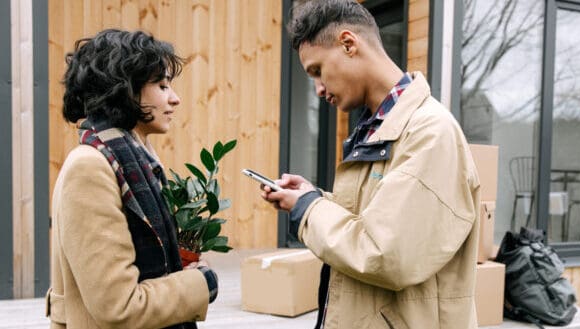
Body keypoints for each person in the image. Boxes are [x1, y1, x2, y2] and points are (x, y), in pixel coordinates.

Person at [262, 1, 481, 328]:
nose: (319, 89)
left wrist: (308, 210)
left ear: (349, 44)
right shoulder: (379, 128)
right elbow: (377, 215)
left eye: (317, 71)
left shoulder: (430, 133)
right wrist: (315, 197)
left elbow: (386, 254)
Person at [46, 29, 218, 329]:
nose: (175, 99)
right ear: (125, 89)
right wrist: (201, 283)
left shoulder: (134, 160)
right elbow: (119, 306)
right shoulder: (90, 168)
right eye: (163, 85)